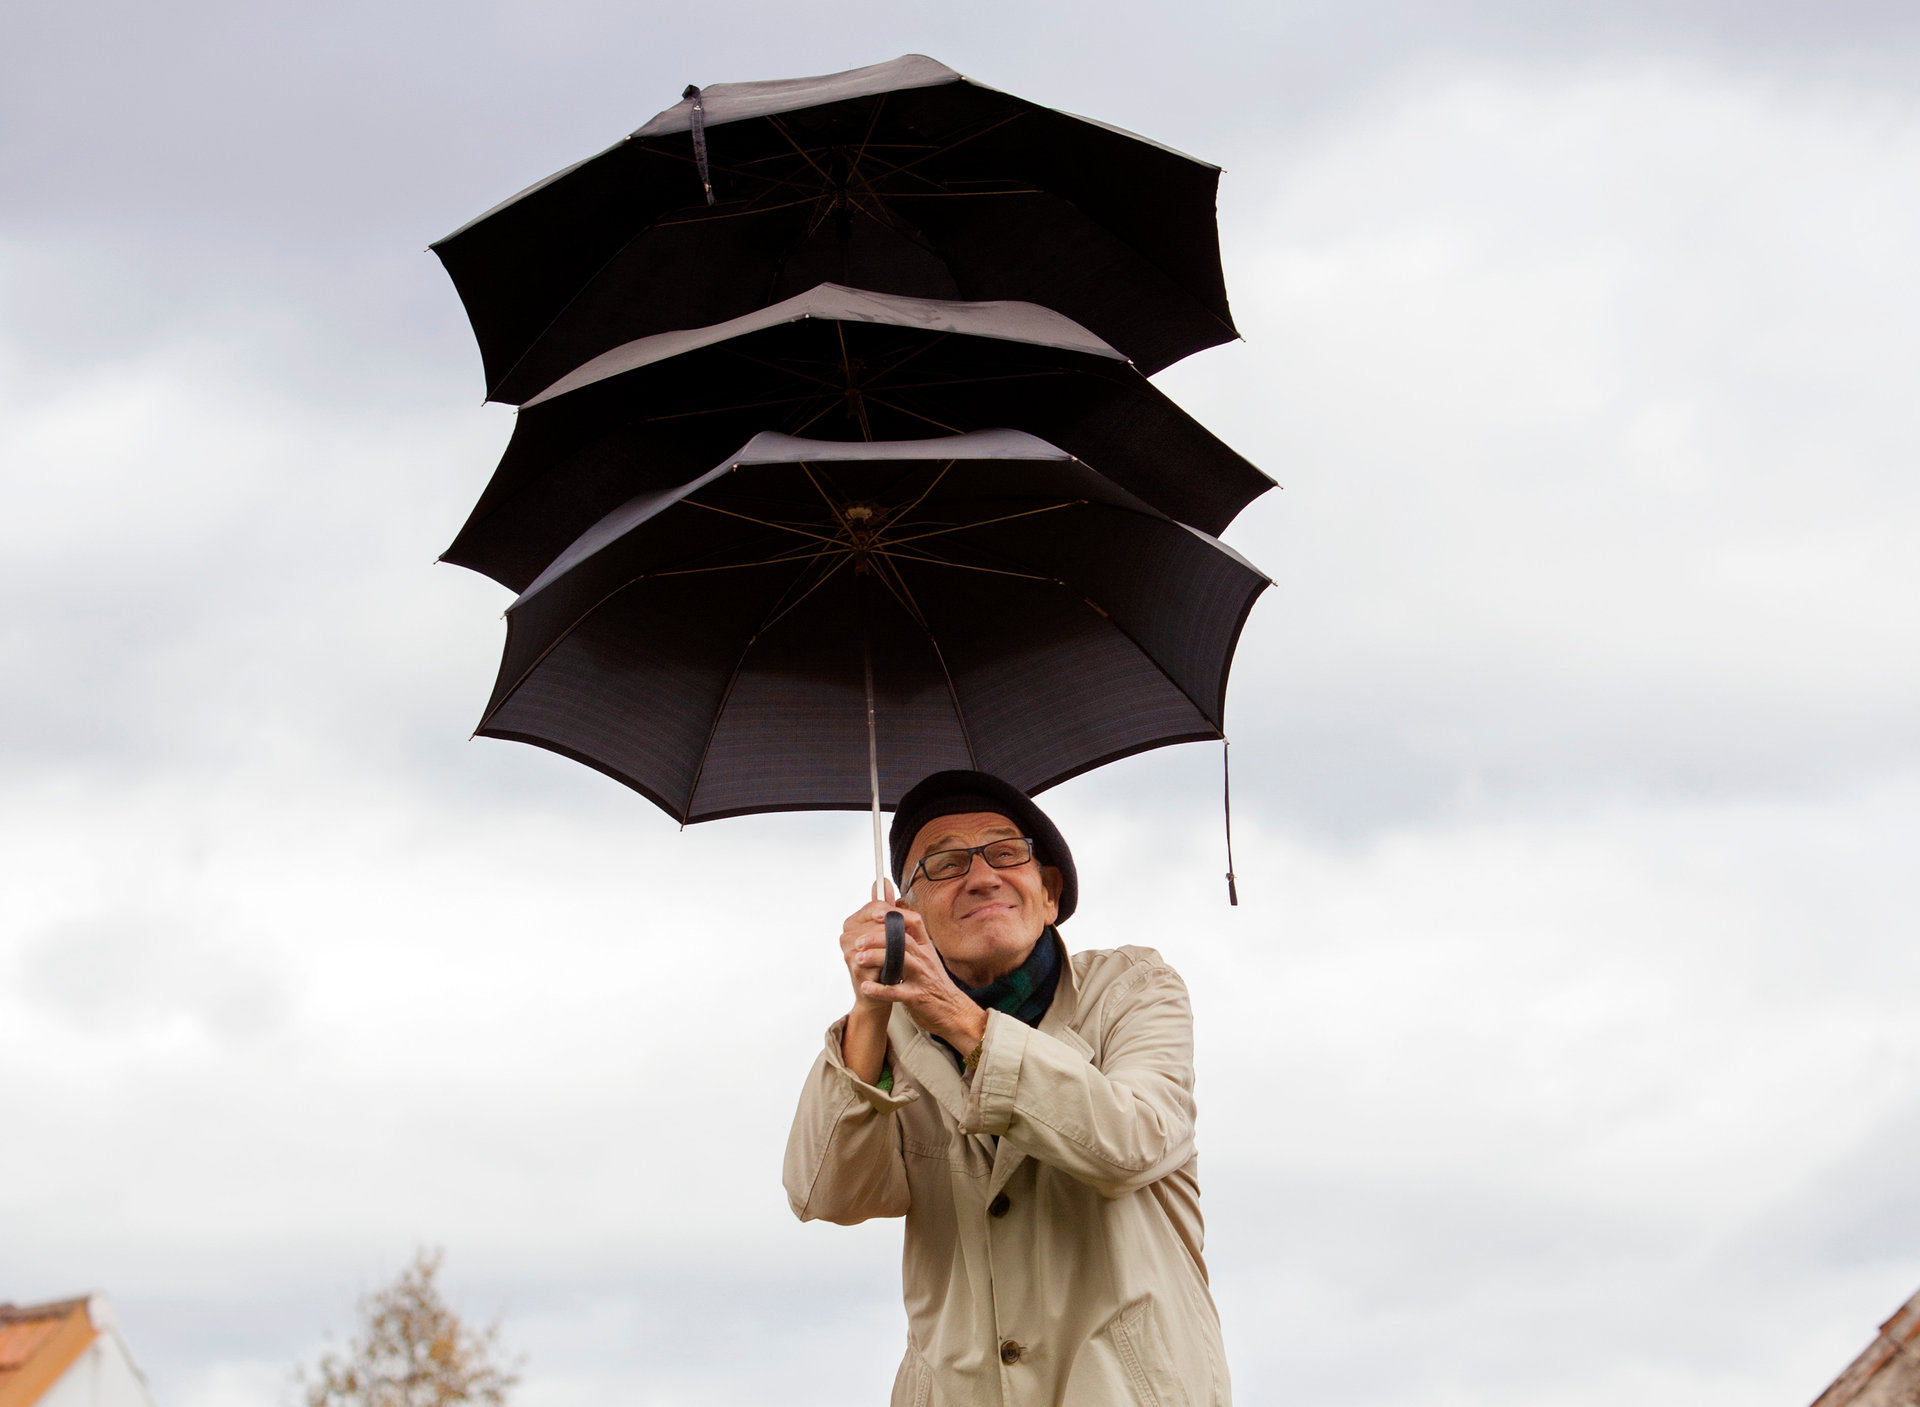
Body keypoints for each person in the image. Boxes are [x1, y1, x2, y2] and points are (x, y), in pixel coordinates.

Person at [783, 769, 1231, 1406]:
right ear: (907, 916)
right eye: (944, 863)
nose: (982, 876)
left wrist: (961, 1021)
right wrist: (870, 1009)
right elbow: (826, 1195)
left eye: (1005, 852)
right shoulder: (889, 1035)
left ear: (1049, 894)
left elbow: (1130, 1141)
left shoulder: (1133, 989)